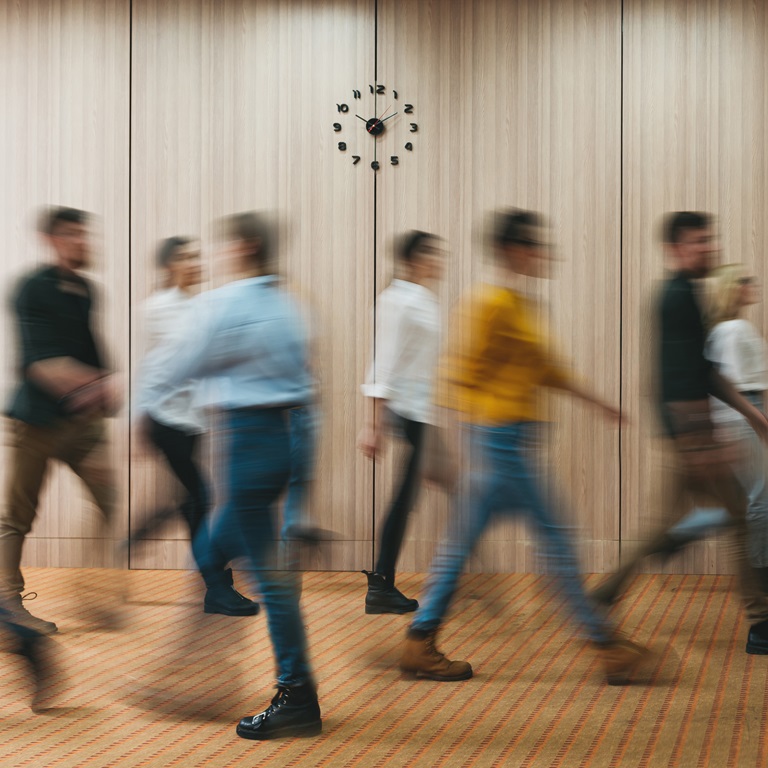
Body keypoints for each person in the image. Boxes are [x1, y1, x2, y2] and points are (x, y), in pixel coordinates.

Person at [399, 209, 648, 685]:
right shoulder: (487, 303)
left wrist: (596, 402)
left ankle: (419, 639)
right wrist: (445, 448)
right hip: (498, 445)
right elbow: (455, 375)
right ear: (513, 250)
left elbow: (545, 369)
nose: (544, 254)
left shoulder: (520, 304)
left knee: (460, 546)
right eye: (535, 245)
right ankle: (607, 647)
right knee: (556, 539)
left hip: (504, 444)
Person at [136, 212, 320, 739]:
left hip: (246, 450)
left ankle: (296, 693)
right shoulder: (289, 306)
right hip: (285, 439)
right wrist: (303, 489)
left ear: (243, 247)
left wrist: (138, 415)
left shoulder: (228, 304)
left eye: (219, 247)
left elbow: (179, 364)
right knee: (213, 555)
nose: (212, 257)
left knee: (271, 580)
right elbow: (310, 390)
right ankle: (192, 676)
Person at [591, 212, 768, 655]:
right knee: (735, 520)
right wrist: (699, 440)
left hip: (692, 435)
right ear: (675, 249)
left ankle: (606, 591)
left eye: (711, 239)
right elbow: (672, 380)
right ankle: (761, 622)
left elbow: (707, 372)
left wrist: (753, 416)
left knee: (690, 521)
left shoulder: (690, 295)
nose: (709, 247)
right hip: (689, 437)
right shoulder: (673, 297)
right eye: (699, 241)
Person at [0, 207, 119, 636]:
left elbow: (92, 352)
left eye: (85, 235)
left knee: (108, 500)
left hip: (80, 425)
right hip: (35, 422)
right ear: (51, 240)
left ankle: (91, 592)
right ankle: (7, 609)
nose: (83, 242)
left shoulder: (86, 290)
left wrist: (103, 403)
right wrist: (97, 383)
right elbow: (38, 363)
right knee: (16, 517)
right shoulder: (31, 289)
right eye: (73, 235)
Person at [133, 236, 258, 616]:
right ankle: (217, 588)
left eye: (197, 256)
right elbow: (154, 368)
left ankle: (149, 531)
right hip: (165, 418)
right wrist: (138, 420)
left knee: (193, 501)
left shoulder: (203, 306)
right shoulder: (157, 308)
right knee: (201, 499)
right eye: (186, 257)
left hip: (194, 421)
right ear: (169, 265)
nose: (195, 262)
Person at [358, 231, 444, 614]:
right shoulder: (396, 300)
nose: (438, 260)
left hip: (423, 410)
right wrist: (373, 424)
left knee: (409, 495)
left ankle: (382, 582)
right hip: (407, 410)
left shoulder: (423, 299)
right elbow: (383, 362)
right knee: (407, 496)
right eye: (431, 253)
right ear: (412, 258)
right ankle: (380, 584)